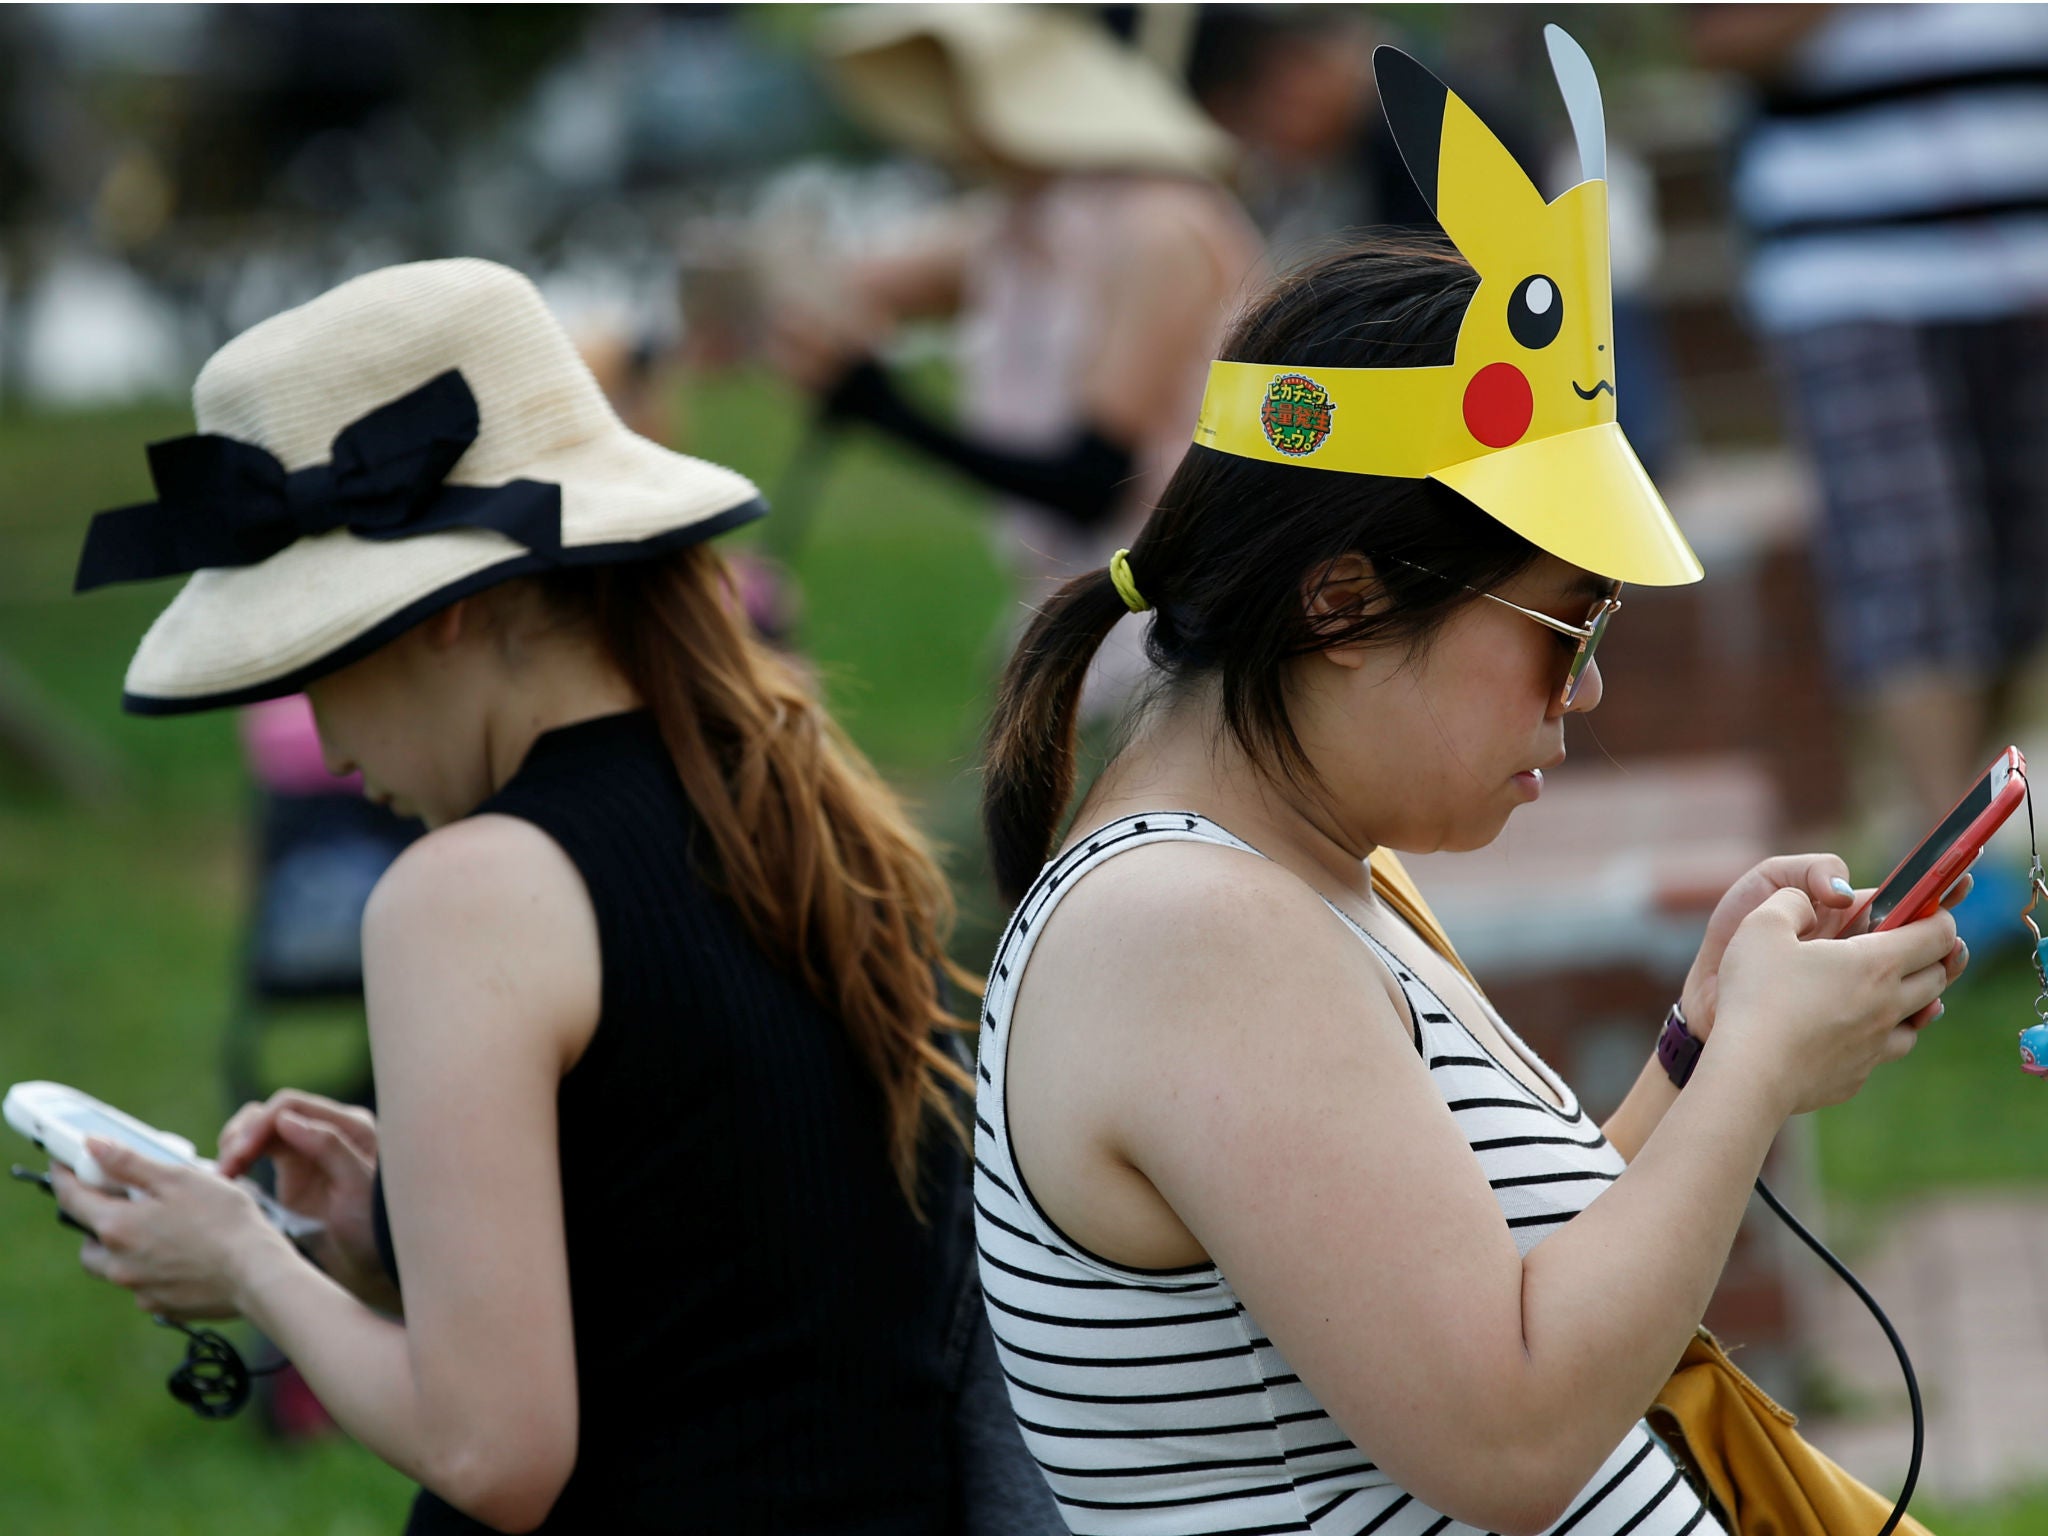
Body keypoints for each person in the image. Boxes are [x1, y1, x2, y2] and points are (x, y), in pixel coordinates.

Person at [969, 35, 1969, 1536]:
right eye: (1570, 625)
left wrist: (1702, 1049)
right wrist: (1756, 1070)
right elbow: (1505, 1438)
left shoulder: (1289, 881)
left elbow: (1504, 1282)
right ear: (1343, 605)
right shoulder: (1185, 933)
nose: (1590, 687)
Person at [52, 258, 1023, 1534]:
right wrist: (404, 1232)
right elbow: (731, 1272)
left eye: (312, 660)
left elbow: (492, 1452)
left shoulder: (468, 895)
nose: (325, 740)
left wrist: (244, 1259)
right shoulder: (796, 803)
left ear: (440, 613)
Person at [770, 3, 1265, 717]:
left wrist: (888, 411)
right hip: (1074, 637)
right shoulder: (1016, 227)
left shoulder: (1159, 227)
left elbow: (1091, 480)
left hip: (1180, 648)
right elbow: (853, 286)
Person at [1694, 4, 2048, 877]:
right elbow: (1715, 34)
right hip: (1849, 262)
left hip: (2025, 250)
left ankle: (1973, 833)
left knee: (2019, 571)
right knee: (1913, 557)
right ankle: (1949, 865)